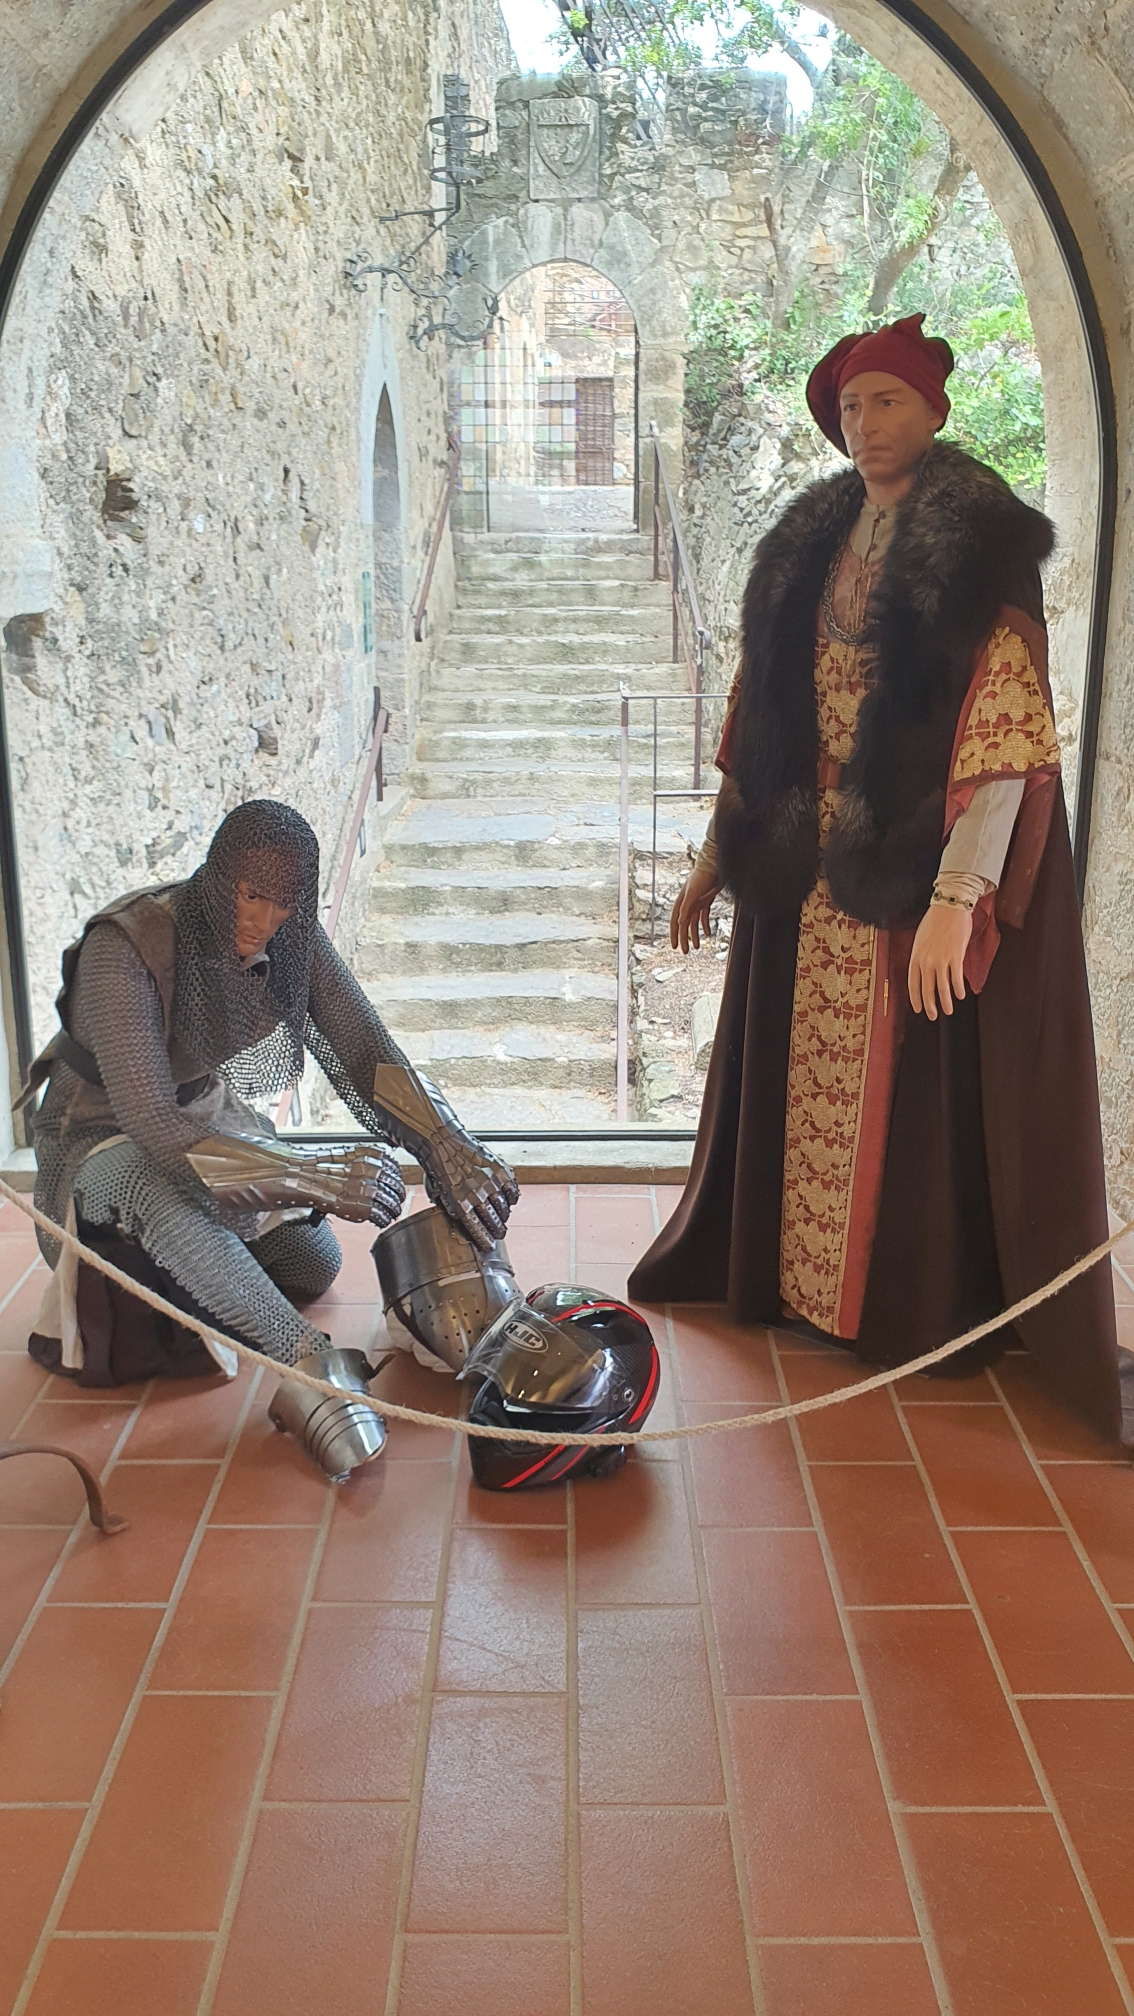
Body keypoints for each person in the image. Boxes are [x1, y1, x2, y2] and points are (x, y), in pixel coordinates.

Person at [629, 313, 1123, 1438]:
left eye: (887, 400)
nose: (866, 423)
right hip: (802, 869)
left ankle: (892, 1303)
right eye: (851, 406)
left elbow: (1006, 736)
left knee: (907, 1091)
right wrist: (717, 853)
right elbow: (761, 713)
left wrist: (960, 898)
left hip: (908, 869)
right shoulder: (807, 548)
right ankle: (790, 1282)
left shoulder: (978, 547)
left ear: (934, 410)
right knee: (791, 1071)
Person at [23, 799, 518, 1385]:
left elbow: (365, 1050)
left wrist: (446, 1142)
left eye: (282, 904)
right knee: (143, 1181)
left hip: (200, 1112)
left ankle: (211, 1273)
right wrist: (313, 1174)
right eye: (251, 895)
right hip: (95, 1137)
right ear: (220, 879)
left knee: (312, 1262)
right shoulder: (128, 944)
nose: (262, 922)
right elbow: (150, 1117)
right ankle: (307, 1360)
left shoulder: (290, 940)